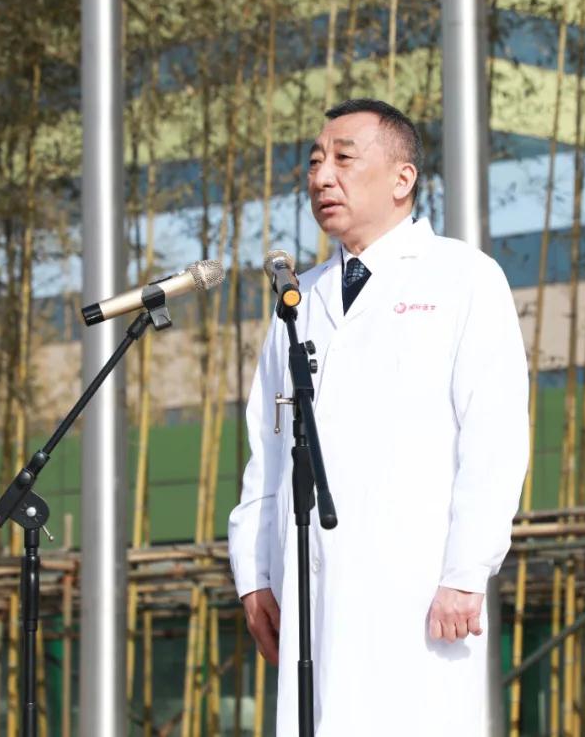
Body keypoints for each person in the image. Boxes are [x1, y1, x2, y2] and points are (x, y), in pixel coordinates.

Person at [227, 98, 529, 735]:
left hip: (417, 585)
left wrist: (466, 572)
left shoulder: (463, 278)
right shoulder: (298, 299)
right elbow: (268, 448)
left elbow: (494, 438)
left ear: (402, 178)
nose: (321, 177)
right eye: (315, 162)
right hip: (308, 583)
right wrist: (254, 575)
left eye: (343, 159)